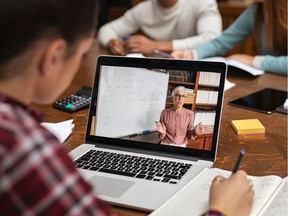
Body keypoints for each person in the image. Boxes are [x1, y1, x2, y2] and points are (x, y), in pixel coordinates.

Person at [0, 0, 254, 215]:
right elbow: (163, 135)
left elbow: (187, 136)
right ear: (52, 57)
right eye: (82, 53)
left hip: (179, 154)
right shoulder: (26, 149)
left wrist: (194, 132)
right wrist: (222, 210)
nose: (178, 100)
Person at [171, 0, 287, 75]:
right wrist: (193, 54)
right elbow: (223, 41)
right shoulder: (257, 10)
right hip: (267, 84)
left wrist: (255, 61)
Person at [97, 0, 222, 55]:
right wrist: (112, 43)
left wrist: (155, 46)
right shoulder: (144, 9)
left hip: (196, 68)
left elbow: (212, 39)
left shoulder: (202, 2)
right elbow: (106, 30)